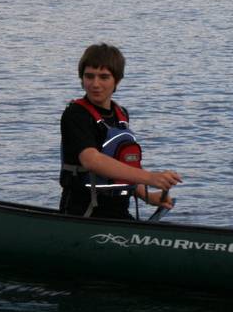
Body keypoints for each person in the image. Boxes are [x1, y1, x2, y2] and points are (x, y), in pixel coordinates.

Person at [59, 43, 182, 219]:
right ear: (82, 78)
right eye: (89, 76)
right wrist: (149, 178)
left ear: (117, 80)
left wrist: (147, 196)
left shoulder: (121, 114)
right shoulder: (75, 115)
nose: (95, 84)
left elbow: (122, 165)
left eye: (104, 77)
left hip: (118, 211)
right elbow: (91, 160)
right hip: (83, 213)